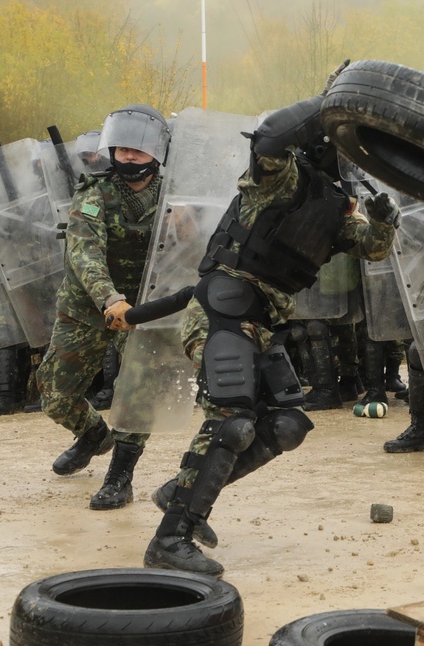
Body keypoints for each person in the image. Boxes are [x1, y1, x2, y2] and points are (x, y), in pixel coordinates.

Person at [144, 68, 400, 577]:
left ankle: (181, 490)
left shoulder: (335, 204)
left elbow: (372, 249)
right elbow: (270, 137)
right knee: (232, 421)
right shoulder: (282, 175)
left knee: (284, 426)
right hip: (223, 308)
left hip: (264, 322)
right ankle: (171, 537)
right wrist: (334, 97)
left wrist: (384, 219)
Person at [37, 104, 170, 512]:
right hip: (90, 307)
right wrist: (110, 298)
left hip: (144, 312)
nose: (128, 156)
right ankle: (94, 435)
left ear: (156, 153)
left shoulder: (173, 194)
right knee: (56, 395)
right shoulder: (93, 192)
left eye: (138, 149)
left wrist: (190, 224)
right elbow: (85, 252)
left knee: (137, 396)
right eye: (122, 148)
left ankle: (120, 478)